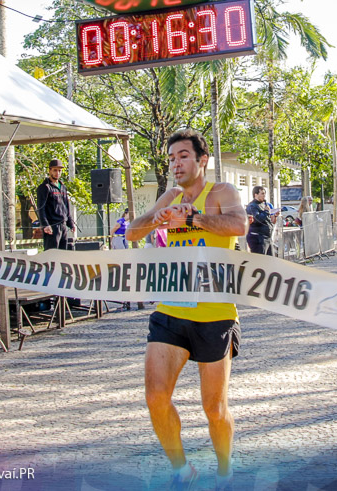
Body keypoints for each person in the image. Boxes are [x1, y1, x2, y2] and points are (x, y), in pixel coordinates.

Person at [125, 129, 246, 491]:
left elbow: (239, 224)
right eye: (171, 158)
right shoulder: (169, 194)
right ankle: (181, 469)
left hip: (215, 314)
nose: (176, 164)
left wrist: (192, 218)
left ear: (201, 160)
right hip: (172, 310)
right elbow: (133, 232)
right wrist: (160, 217)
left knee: (214, 408)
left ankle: (225, 470)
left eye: (182, 156)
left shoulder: (222, 192)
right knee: (155, 396)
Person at [36, 159, 75, 250]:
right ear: (49, 170)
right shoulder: (45, 187)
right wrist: (45, 225)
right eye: (54, 170)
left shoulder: (63, 187)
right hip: (52, 226)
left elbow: (66, 207)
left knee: (62, 254)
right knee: (52, 254)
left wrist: (71, 223)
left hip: (63, 225)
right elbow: (41, 208)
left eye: (59, 170)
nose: (57, 173)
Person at [245, 186, 275, 255]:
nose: (264, 196)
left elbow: (268, 220)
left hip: (267, 237)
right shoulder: (252, 206)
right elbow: (257, 219)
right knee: (260, 261)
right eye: (262, 193)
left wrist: (274, 215)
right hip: (258, 237)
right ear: (256, 194)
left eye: (264, 193)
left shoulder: (264, 204)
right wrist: (266, 212)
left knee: (270, 261)